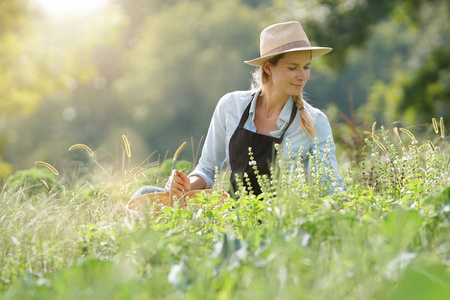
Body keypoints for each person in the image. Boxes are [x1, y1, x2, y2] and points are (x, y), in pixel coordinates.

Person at [132, 21, 344, 199]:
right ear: (268, 68)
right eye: (293, 68)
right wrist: (187, 184)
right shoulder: (231, 106)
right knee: (145, 193)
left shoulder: (315, 121)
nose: (303, 76)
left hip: (279, 224)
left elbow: (331, 189)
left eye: (306, 67)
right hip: (232, 215)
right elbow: (206, 170)